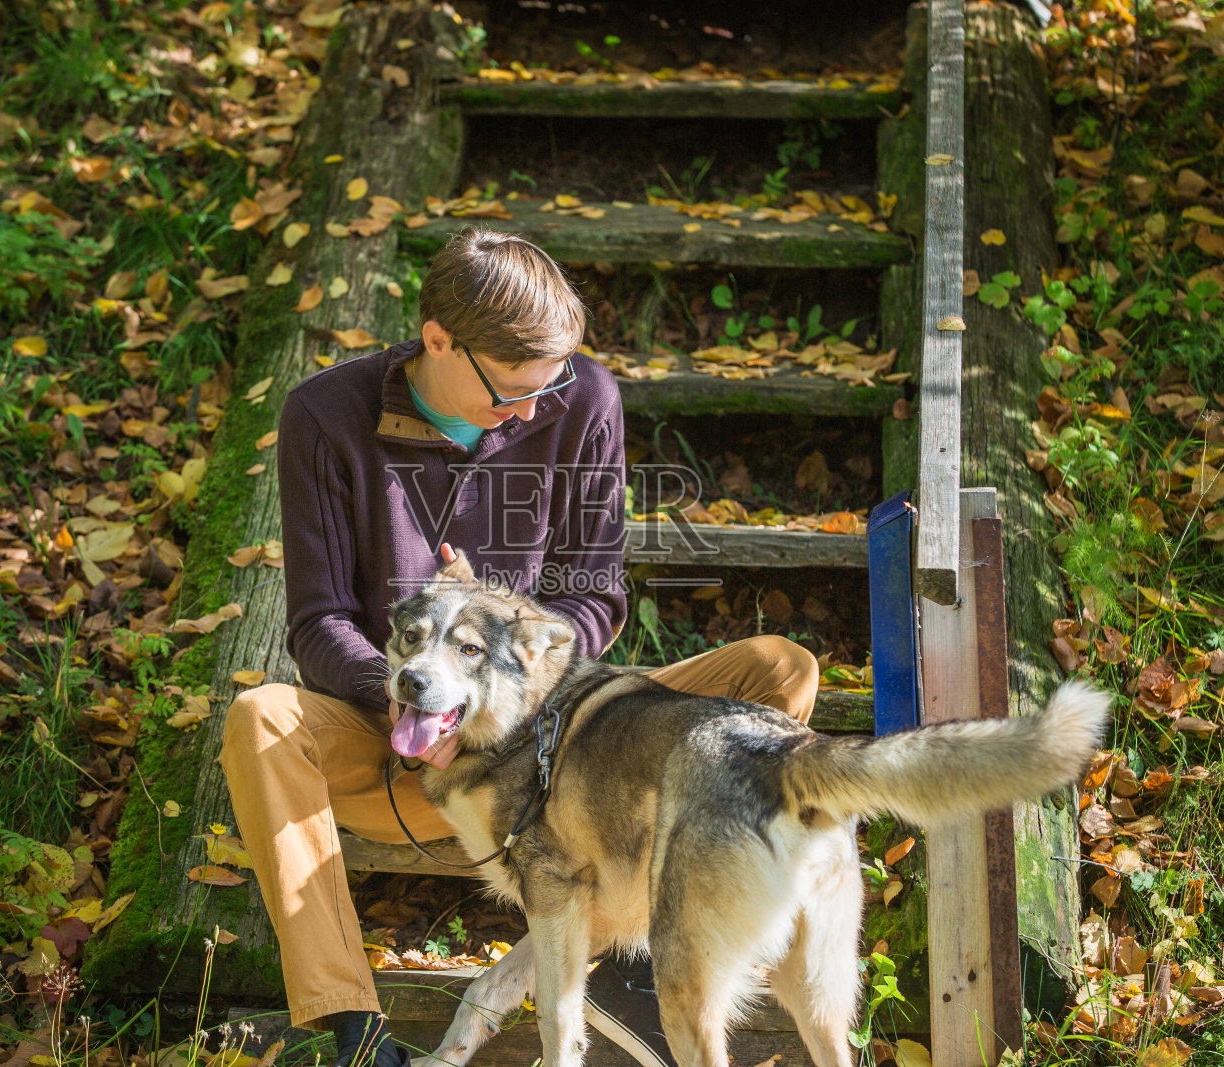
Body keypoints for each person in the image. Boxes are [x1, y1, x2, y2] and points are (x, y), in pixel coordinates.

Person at [218, 227, 820, 1067]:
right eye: (511, 394)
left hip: (560, 756)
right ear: (439, 341)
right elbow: (319, 625)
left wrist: (510, 679)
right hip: (401, 744)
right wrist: (415, 697)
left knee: (776, 670)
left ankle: (631, 961)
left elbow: (597, 593)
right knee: (259, 718)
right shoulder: (325, 416)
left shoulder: (584, 401)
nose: (536, 410)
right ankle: (352, 1029)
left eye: (552, 384)